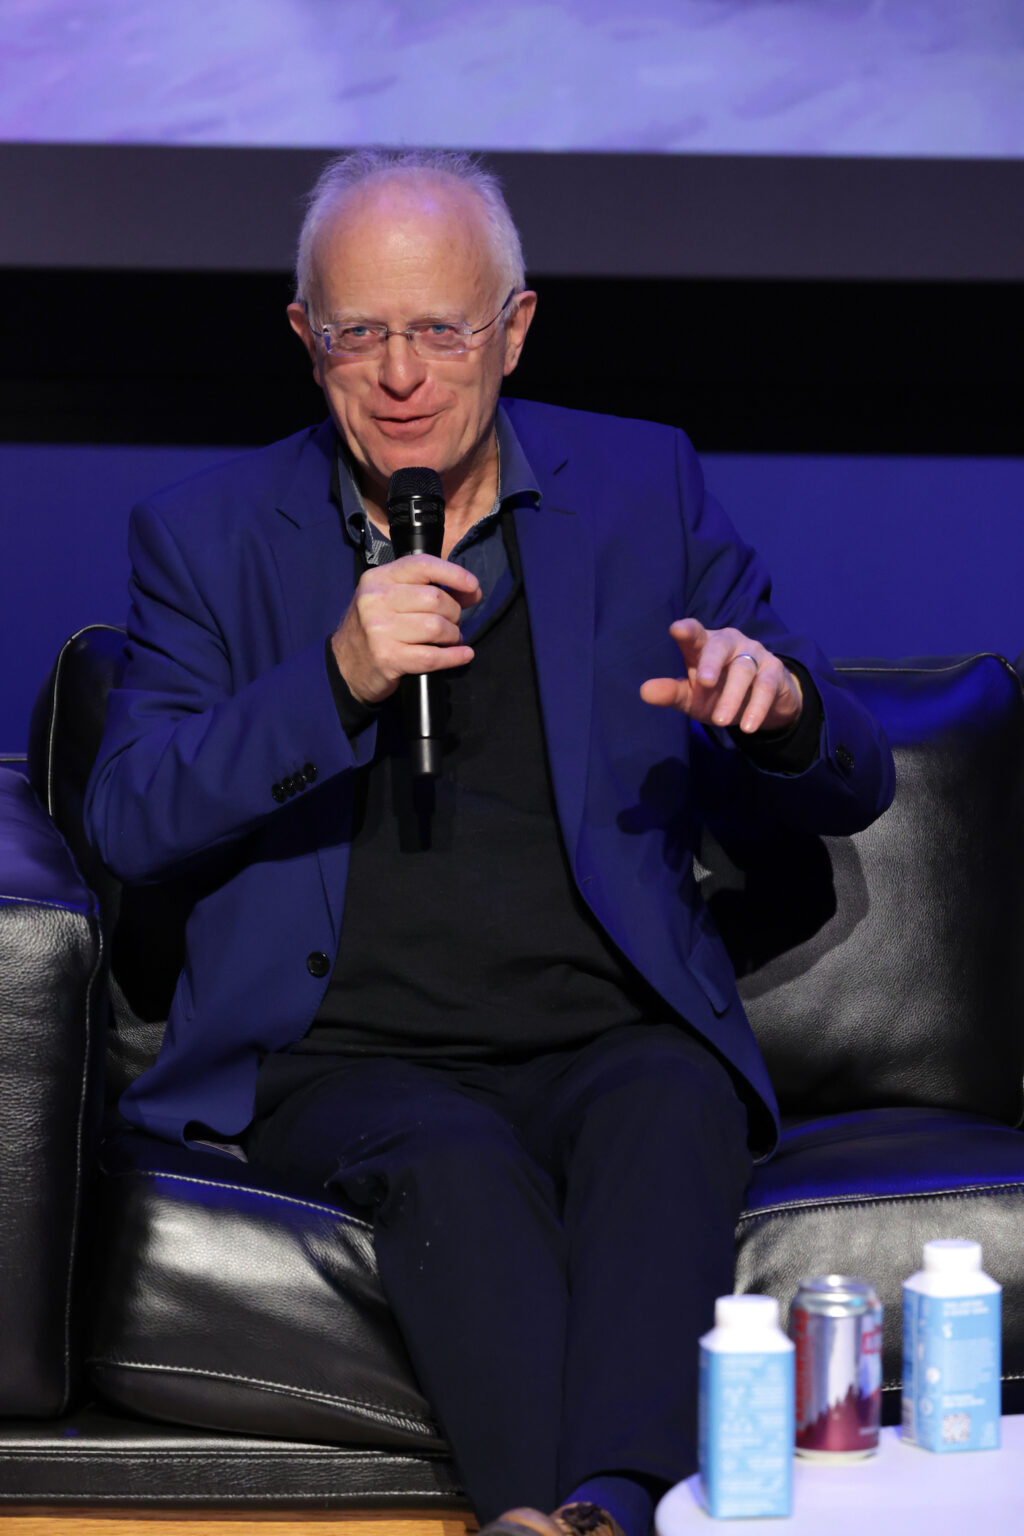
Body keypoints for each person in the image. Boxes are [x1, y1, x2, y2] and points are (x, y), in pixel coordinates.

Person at [85, 148, 895, 1536]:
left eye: (442, 331)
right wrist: (330, 676)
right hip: (347, 1058)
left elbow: (855, 773)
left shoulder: (649, 489)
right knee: (451, 1159)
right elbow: (127, 818)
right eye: (361, 335)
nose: (402, 376)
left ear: (513, 331)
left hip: (606, 1033)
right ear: (306, 339)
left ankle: (580, 1514)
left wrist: (778, 713)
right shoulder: (209, 537)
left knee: (676, 1102)